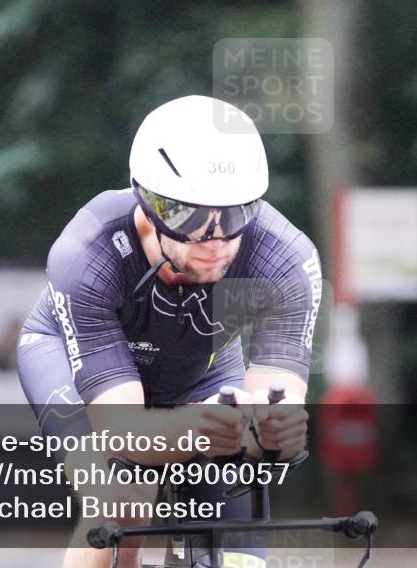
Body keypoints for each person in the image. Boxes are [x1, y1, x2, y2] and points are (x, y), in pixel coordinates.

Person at [17, 95, 320, 568]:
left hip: (202, 371)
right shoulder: (88, 252)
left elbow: (270, 423)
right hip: (70, 363)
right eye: (189, 217)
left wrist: (269, 432)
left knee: (236, 537)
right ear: (149, 204)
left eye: (236, 214)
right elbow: (121, 434)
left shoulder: (285, 260)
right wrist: (195, 428)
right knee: (120, 502)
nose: (215, 240)